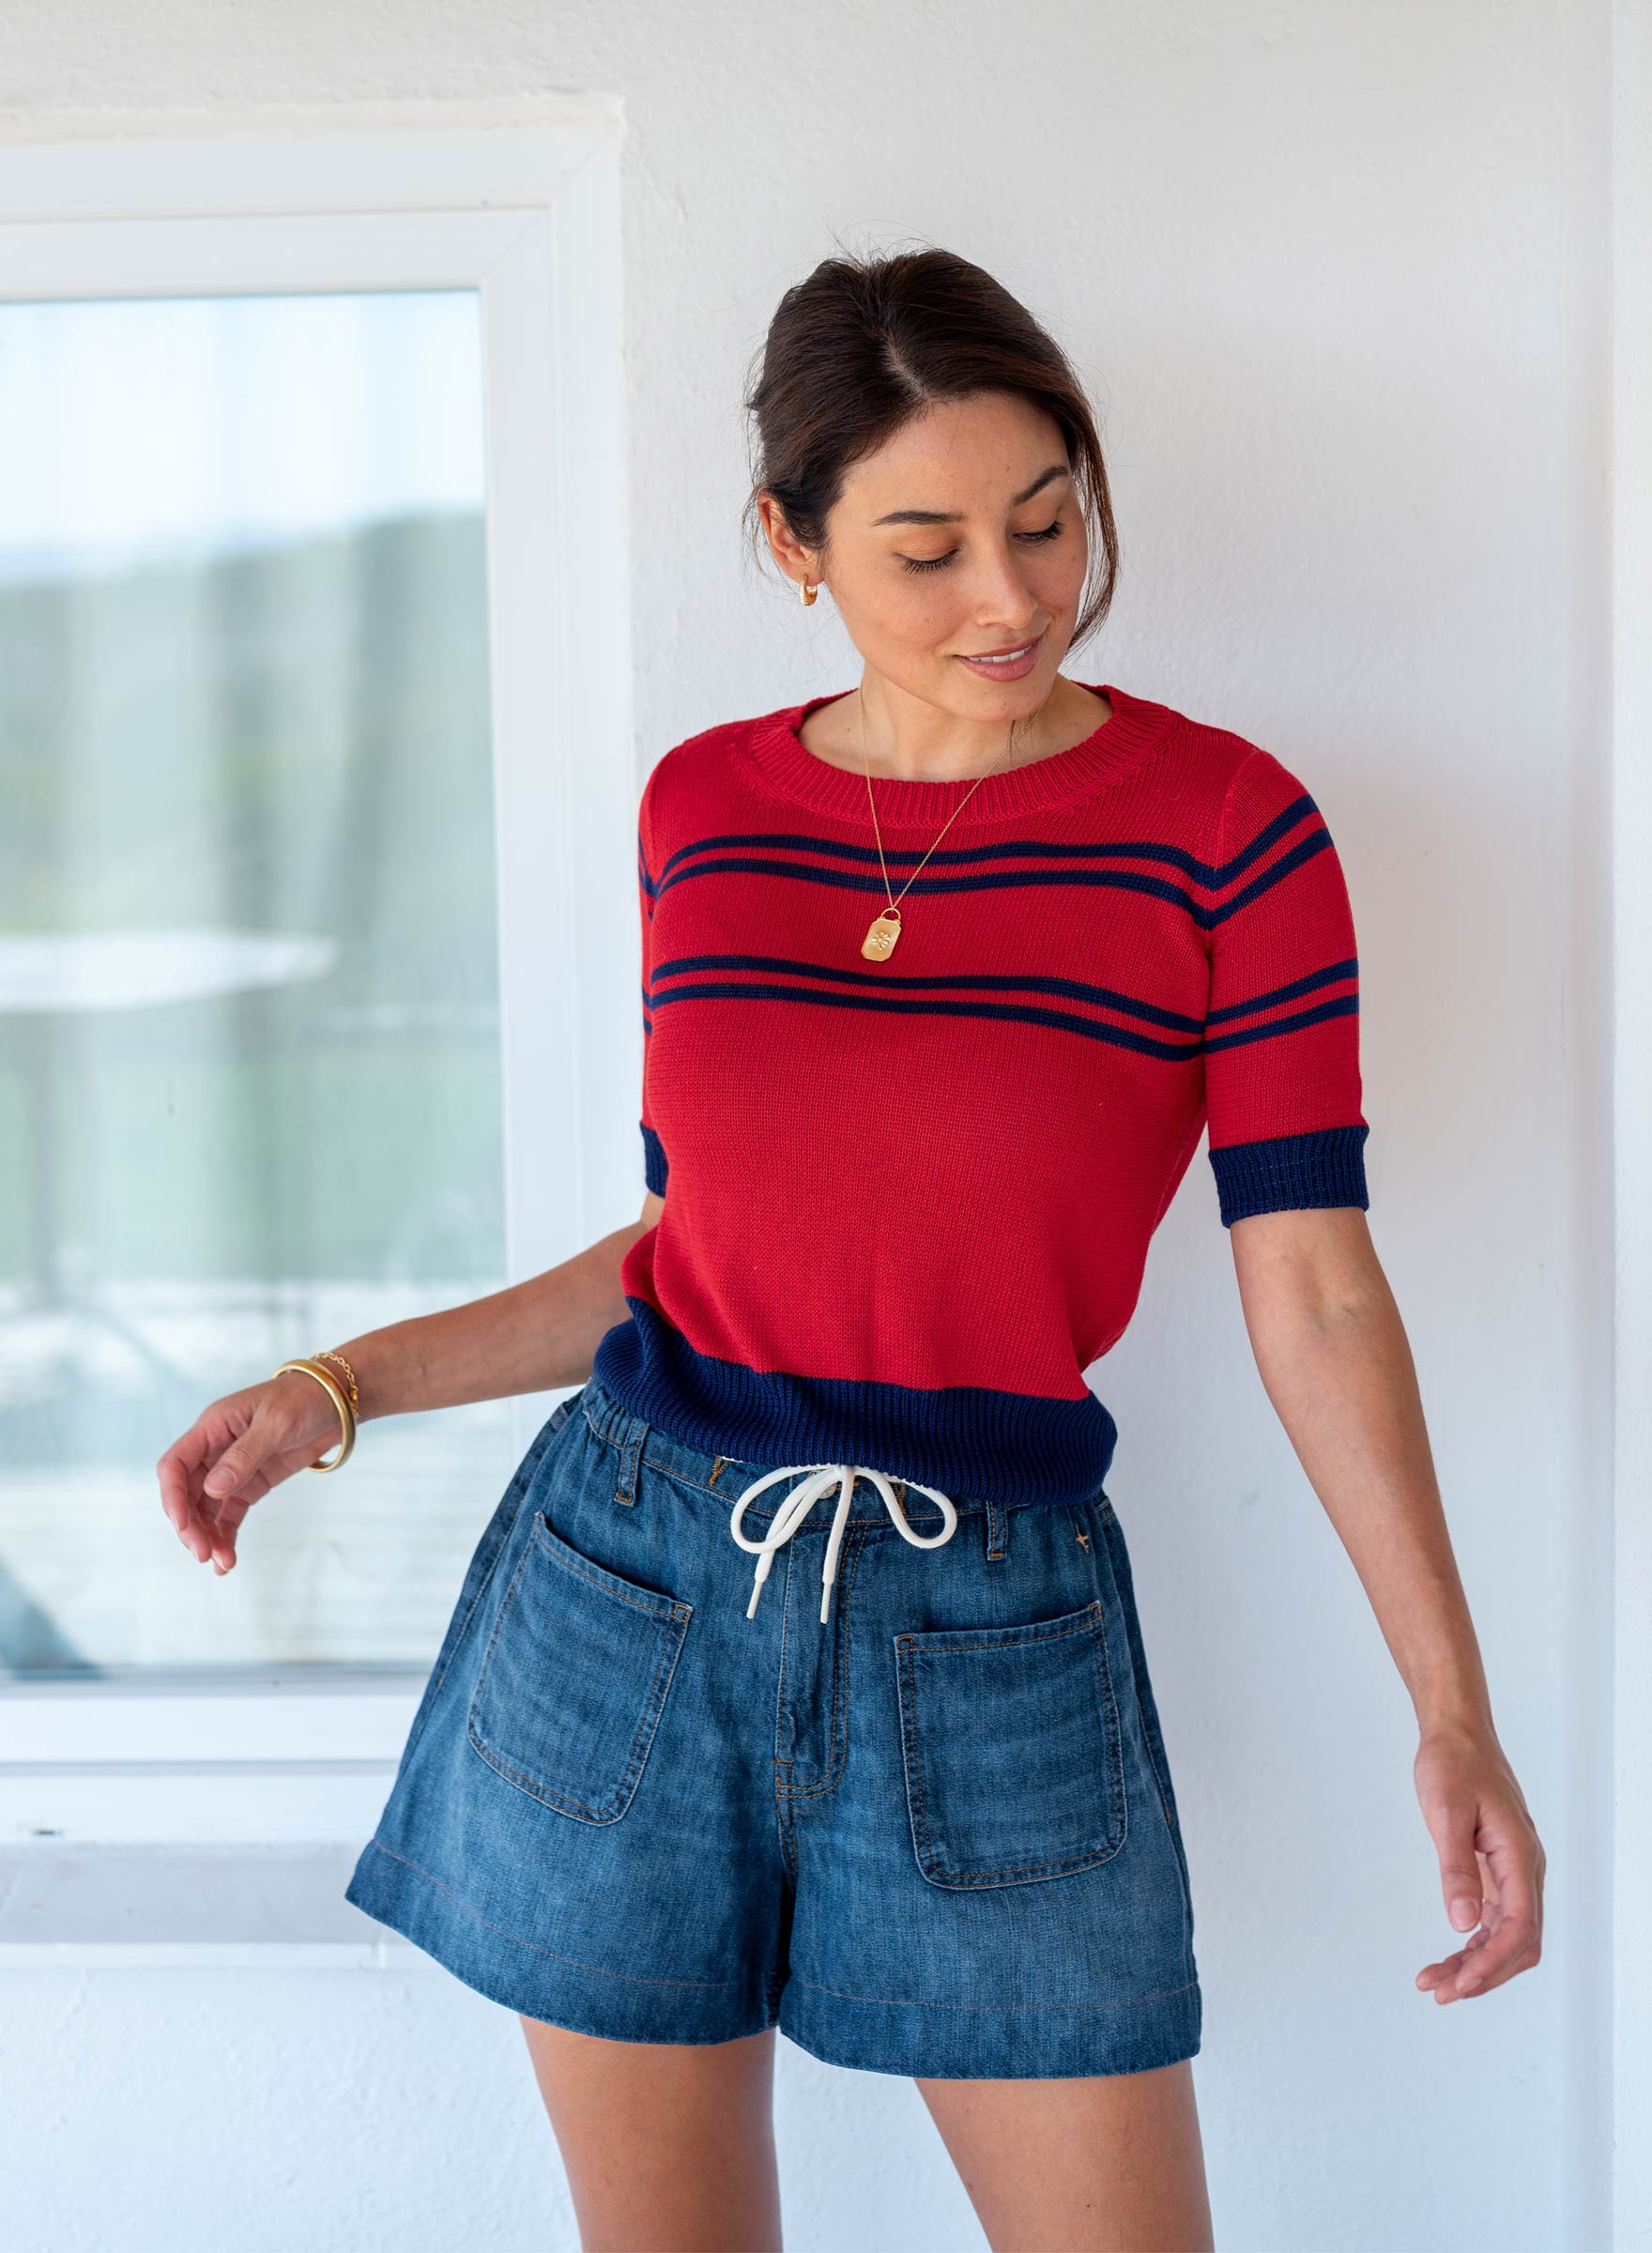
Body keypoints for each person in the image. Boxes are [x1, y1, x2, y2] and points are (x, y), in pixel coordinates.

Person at [156, 247, 1544, 2253]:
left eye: (1046, 521)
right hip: (627, 1594)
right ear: (791, 544)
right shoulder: (702, 817)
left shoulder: (1225, 835)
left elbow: (1309, 1279)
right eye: (926, 547)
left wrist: (1447, 1701)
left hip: (988, 1633)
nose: (1009, 597)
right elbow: (682, 1253)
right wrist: (333, 1386)